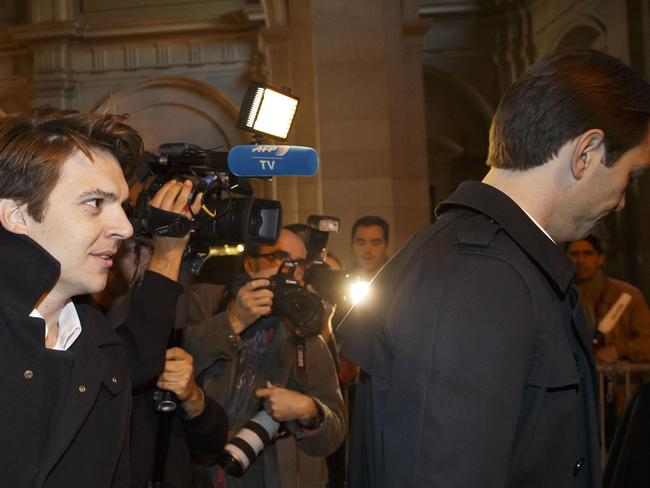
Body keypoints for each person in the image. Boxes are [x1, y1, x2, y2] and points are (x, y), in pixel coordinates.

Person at [338, 48, 650, 488]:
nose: (621, 201)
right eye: (630, 177)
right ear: (587, 152)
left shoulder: (500, 263)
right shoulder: (479, 278)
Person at [0, 108, 142, 487]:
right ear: (17, 214)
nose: (125, 228)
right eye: (95, 202)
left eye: (122, 206)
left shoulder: (106, 352)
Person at [183, 228, 345, 487]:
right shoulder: (204, 301)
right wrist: (233, 322)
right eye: (280, 258)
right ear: (249, 263)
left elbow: (333, 436)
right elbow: (167, 366)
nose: (292, 270)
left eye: (300, 263)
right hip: (189, 469)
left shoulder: (304, 332)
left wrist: (311, 411)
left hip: (262, 476)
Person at [103, 180, 228, 488]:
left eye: (155, 248)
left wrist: (192, 397)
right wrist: (167, 254)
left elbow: (210, 447)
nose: (152, 261)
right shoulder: (88, 320)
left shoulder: (181, 313)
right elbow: (133, 360)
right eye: (141, 249)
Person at [567, 235, 650, 423]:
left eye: (587, 253)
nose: (580, 260)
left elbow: (647, 341)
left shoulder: (627, 296)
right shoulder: (558, 296)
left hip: (619, 397)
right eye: (574, 254)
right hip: (576, 396)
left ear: (601, 259)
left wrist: (619, 349)